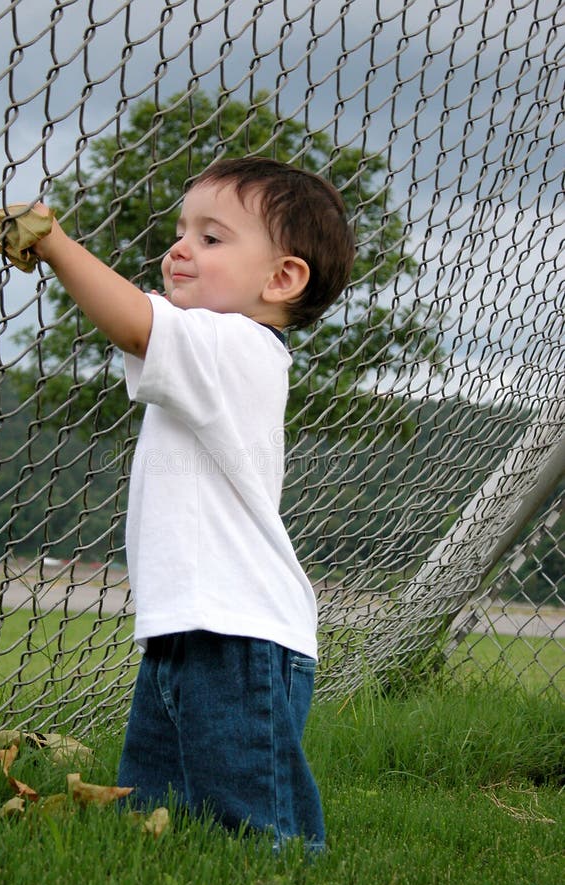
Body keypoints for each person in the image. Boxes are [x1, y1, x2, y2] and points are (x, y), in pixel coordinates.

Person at [29, 156, 355, 849]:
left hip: (238, 636)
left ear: (281, 278)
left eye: (211, 238)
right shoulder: (218, 346)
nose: (179, 248)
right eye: (181, 231)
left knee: (252, 830)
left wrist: (53, 243)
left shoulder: (237, 345)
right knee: (156, 820)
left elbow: (134, 324)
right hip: (193, 627)